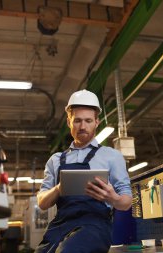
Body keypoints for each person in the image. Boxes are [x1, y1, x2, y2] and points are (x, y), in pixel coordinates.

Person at [35, 89, 132, 253]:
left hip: (95, 225)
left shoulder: (112, 157)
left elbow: (126, 202)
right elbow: (42, 203)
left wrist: (112, 198)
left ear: (96, 122)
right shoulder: (56, 160)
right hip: (61, 224)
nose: (82, 126)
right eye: (77, 120)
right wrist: (59, 188)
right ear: (69, 122)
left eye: (88, 120)